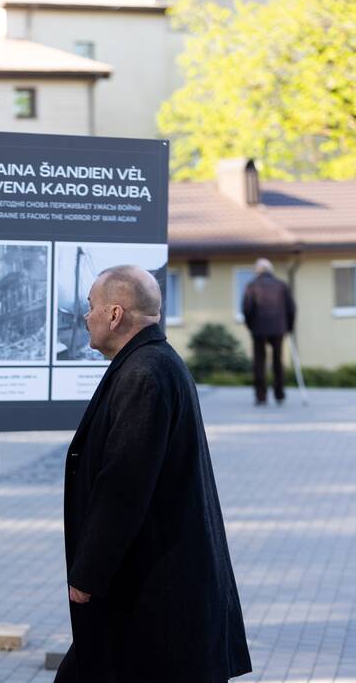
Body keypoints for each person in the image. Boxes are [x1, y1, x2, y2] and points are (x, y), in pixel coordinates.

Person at [56, 265, 251, 683]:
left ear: (114, 315)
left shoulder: (145, 373)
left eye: (90, 307)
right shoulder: (152, 363)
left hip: (155, 593)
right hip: (153, 588)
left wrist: (88, 573)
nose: (84, 316)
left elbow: (123, 485)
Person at [241, 258, 296, 405]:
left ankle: (261, 396)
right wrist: (289, 327)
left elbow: (247, 309)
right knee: (278, 361)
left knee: (259, 362)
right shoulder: (282, 285)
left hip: (259, 329)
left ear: (257, 271)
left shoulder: (252, 286)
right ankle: (279, 394)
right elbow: (291, 308)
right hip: (279, 328)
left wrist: (250, 326)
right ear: (271, 270)